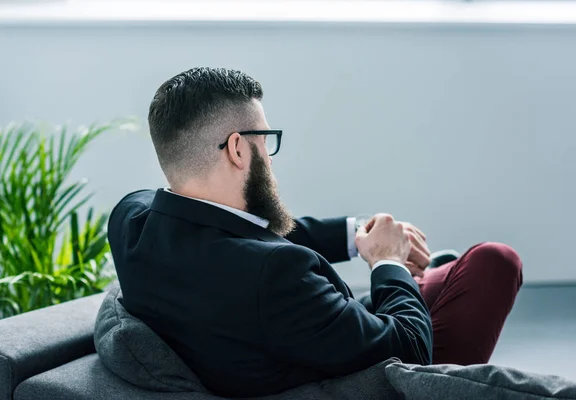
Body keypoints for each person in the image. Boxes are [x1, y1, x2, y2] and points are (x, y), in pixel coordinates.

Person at [108, 67, 523, 398]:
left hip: (297, 335)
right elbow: (412, 349)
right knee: (495, 261)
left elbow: (237, 235)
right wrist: (386, 261)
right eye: (265, 140)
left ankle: (430, 275)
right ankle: (425, 276)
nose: (269, 157)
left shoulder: (133, 218)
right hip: (363, 373)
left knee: (447, 268)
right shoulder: (275, 274)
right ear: (237, 148)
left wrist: (355, 233)